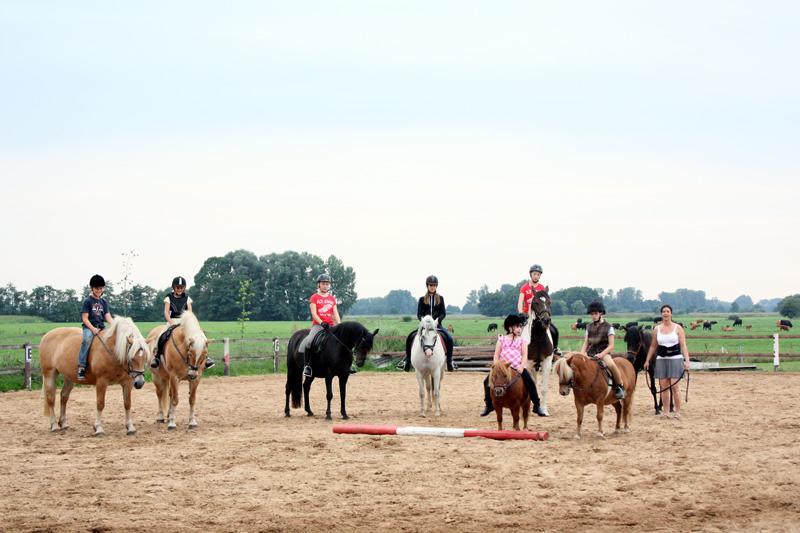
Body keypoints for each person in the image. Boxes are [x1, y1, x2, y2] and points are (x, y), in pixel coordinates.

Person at [479, 314, 545, 417]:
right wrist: (496, 365)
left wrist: (522, 366)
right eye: (517, 326)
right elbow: (496, 354)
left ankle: (537, 405)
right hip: (501, 369)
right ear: (510, 328)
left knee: (531, 382)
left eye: (520, 327)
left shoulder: (522, 341)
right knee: (486, 382)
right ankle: (489, 405)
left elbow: (524, 356)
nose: (519, 329)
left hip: (517, 367)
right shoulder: (501, 339)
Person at [151, 276, 215, 369]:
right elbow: (166, 312)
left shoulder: (187, 298)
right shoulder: (168, 298)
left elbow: (190, 312)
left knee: (201, 336)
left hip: (185, 323)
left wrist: (191, 323)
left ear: (184, 288)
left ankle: (206, 358)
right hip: (172, 321)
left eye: (181, 287)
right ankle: (157, 357)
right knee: (162, 335)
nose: (179, 289)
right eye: (177, 287)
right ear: (174, 287)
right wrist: (170, 321)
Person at [398, 275, 455, 372]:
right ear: (427, 286)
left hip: (437, 326)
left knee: (449, 338)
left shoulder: (440, 299)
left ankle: (449, 362)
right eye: (430, 285)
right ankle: (407, 361)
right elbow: (419, 314)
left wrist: (437, 320)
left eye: (434, 285)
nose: (432, 287)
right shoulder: (421, 299)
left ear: (436, 286)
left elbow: (443, 313)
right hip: (424, 326)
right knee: (410, 337)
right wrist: (423, 321)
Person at [644, 304, 691, 419]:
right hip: (661, 360)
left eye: (667, 311)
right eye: (663, 311)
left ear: (671, 313)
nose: (665, 313)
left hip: (675, 359)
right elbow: (653, 346)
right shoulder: (657, 329)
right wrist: (647, 360)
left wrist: (687, 361)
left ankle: (678, 412)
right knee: (663, 387)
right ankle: (665, 412)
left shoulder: (678, 328)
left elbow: (683, 345)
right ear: (661, 314)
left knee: (675, 387)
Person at [298, 274, 342, 378]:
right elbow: (314, 313)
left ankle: (344, 366)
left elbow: (335, 313)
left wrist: (340, 325)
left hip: (331, 326)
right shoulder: (314, 297)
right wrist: (322, 322)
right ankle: (307, 366)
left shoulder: (332, 299)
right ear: (319, 284)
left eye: (327, 284)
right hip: (318, 326)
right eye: (323, 284)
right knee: (309, 342)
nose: (325, 286)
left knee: (342, 342)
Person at [580, 300, 625, 400]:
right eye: (592, 314)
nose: (593, 316)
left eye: (595, 313)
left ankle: (619, 386)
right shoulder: (588, 327)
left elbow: (611, 345)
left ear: (601, 313)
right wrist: (582, 353)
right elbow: (586, 343)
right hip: (590, 353)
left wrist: (601, 354)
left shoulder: (609, 327)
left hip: (604, 353)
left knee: (611, 364)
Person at [77, 274, 113, 380]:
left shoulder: (104, 302)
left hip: (101, 327)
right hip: (89, 327)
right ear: (92, 288)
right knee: (86, 340)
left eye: (101, 288)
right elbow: (85, 318)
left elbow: (107, 316)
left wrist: (116, 325)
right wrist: (92, 329)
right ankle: (81, 366)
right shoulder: (87, 301)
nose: (99, 290)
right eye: (97, 288)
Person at [518, 264, 560, 355]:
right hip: (527, 314)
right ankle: (516, 349)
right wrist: (521, 313)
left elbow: (545, 302)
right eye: (534, 274)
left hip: (539, 315)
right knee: (515, 330)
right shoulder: (524, 287)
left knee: (554, 329)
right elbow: (520, 302)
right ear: (531, 274)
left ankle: (555, 348)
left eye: (538, 274)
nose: (536, 276)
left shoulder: (541, 288)